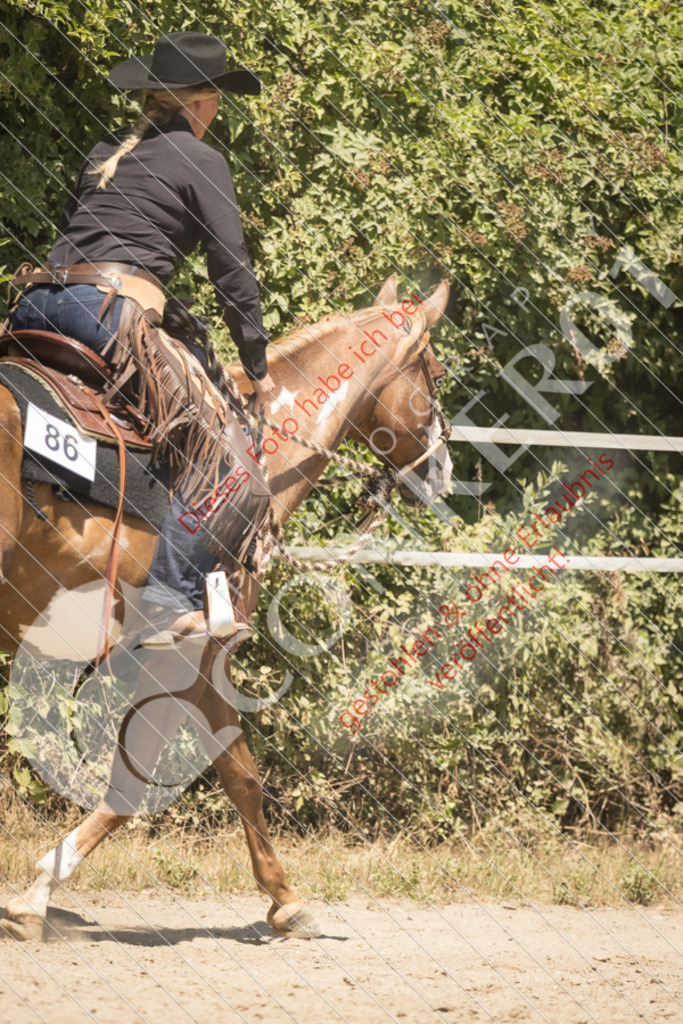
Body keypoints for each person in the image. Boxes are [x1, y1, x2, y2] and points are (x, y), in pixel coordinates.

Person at [7, 31, 275, 647]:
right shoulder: (202, 159)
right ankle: (172, 598)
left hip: (35, 305)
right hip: (104, 315)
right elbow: (231, 269)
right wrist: (256, 367)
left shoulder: (107, 149)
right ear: (203, 102)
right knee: (219, 451)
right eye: (216, 105)